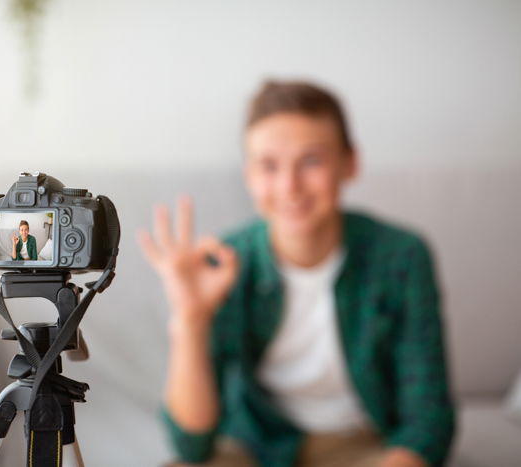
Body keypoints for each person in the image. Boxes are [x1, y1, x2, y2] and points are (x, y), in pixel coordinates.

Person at [137, 81, 455, 467]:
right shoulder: (225, 264)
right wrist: (191, 320)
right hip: (255, 445)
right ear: (249, 176)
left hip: (361, 444)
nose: (290, 186)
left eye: (311, 161)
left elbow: (429, 422)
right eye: (269, 166)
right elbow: (191, 445)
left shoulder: (402, 257)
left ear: (349, 163)